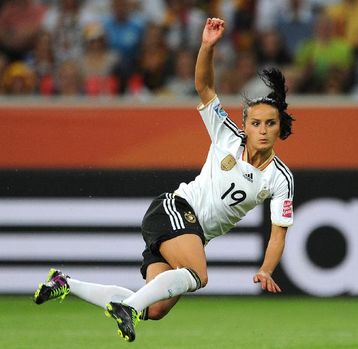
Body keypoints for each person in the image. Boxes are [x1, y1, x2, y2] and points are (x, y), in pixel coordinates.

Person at [33, 17, 296, 343]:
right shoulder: (228, 136)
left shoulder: (280, 177)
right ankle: (127, 307)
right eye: (256, 122)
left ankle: (65, 283)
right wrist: (207, 47)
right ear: (246, 124)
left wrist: (267, 269)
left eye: (270, 124)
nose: (262, 130)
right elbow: (205, 87)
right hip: (175, 210)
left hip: (191, 233)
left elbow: (278, 233)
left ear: (279, 127)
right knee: (198, 275)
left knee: (154, 309)